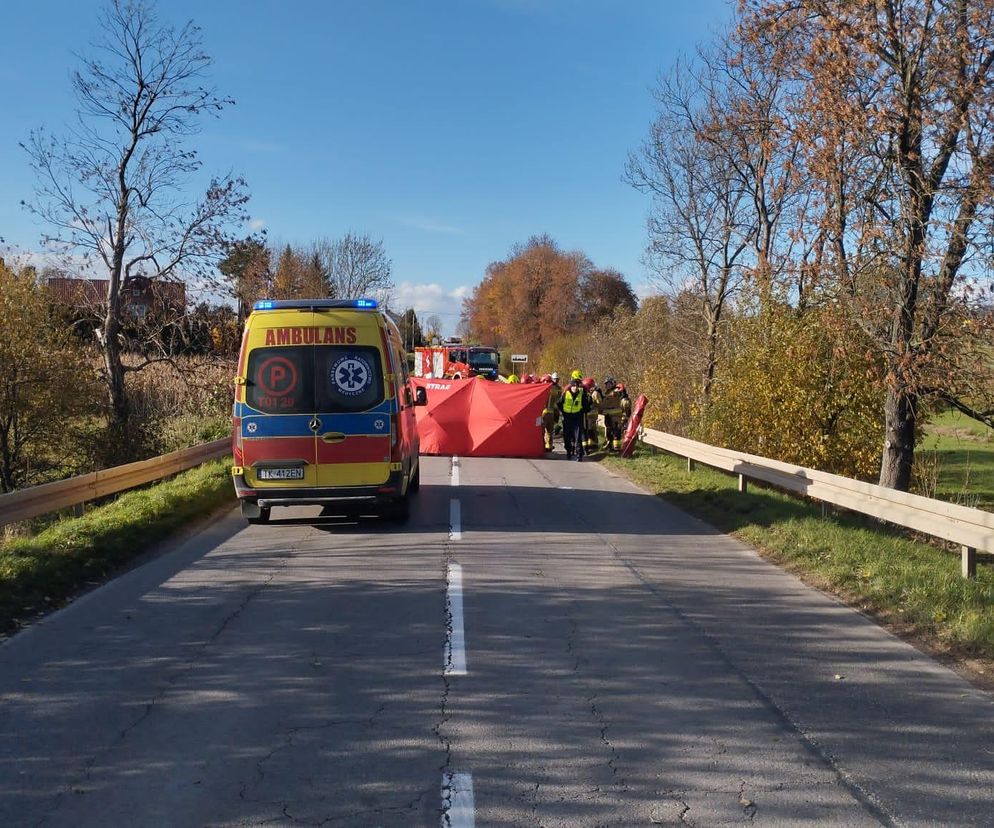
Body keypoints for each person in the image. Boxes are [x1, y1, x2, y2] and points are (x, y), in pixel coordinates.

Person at [557, 374, 591, 461]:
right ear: (571, 386)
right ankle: (569, 452)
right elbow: (559, 403)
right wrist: (563, 412)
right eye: (573, 386)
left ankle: (579, 455)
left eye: (576, 386)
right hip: (567, 417)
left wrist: (582, 411)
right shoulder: (566, 394)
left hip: (577, 417)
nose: (575, 387)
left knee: (578, 436)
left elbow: (586, 405)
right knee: (567, 436)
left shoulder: (581, 394)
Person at [601, 377, 626, 452]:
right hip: (608, 416)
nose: (607, 385)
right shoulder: (606, 393)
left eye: (609, 384)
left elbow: (618, 392)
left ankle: (617, 448)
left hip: (615, 417)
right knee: (609, 431)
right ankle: (610, 446)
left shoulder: (616, 391)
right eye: (606, 384)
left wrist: (620, 390)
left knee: (616, 431)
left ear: (613, 384)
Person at [542, 371, 562, 451]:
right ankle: (549, 446)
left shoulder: (543, 388)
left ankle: (542, 446)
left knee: (542, 430)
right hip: (552, 412)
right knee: (549, 431)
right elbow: (559, 401)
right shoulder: (557, 389)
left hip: (543, 412)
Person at [582, 377, 602, 453]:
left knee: (592, 429)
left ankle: (594, 445)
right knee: (588, 430)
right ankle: (590, 444)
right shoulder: (586, 393)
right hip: (587, 415)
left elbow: (599, 403)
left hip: (592, 414)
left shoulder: (595, 393)